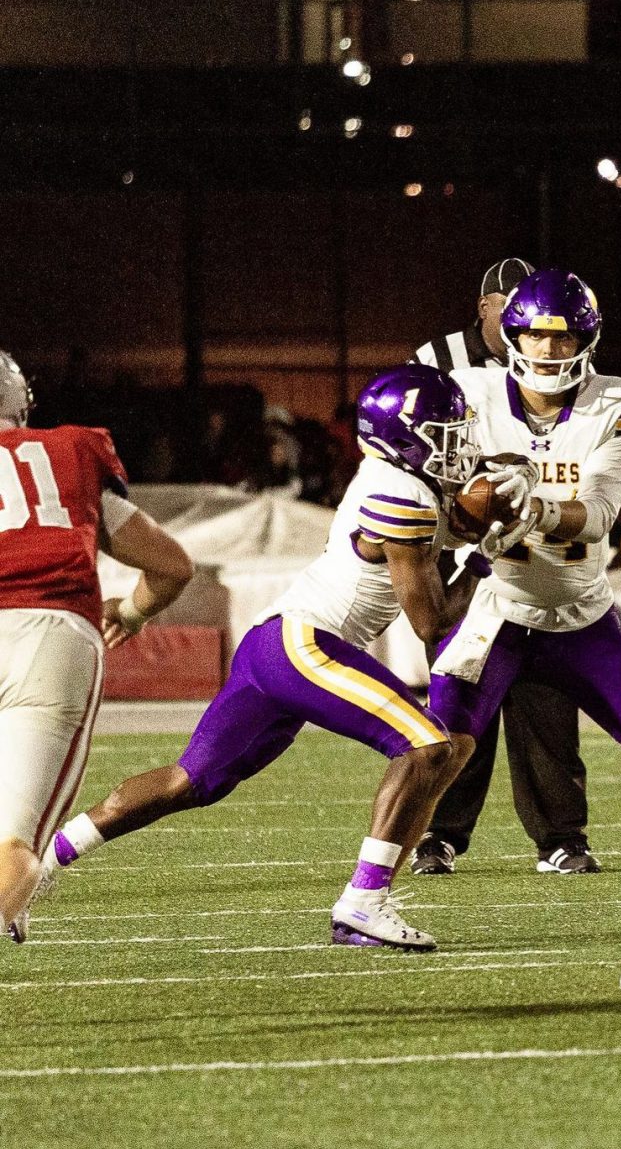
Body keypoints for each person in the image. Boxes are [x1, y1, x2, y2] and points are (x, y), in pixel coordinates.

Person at [34, 365, 530, 952]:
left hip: (275, 644)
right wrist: (481, 556)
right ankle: (363, 903)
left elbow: (444, 517)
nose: (459, 444)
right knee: (430, 747)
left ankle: (40, 860)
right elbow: (432, 621)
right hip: (307, 644)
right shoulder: (404, 495)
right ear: (407, 435)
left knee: (187, 781)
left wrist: (488, 494)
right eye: (445, 431)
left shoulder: (390, 475)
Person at [425, 269, 621, 880]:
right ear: (510, 333)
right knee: (433, 753)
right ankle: (372, 887)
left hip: (580, 615)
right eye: (535, 335)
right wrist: (457, 523)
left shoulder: (615, 399)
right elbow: (420, 476)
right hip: (494, 608)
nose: (549, 349)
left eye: (564, 337)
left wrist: (531, 508)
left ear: (587, 339)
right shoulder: (468, 393)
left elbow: (599, 513)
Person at [0, 351, 194, 943]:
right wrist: (132, 612)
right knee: (15, 841)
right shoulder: (66, 454)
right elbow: (171, 566)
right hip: (47, 637)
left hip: (43, 634)